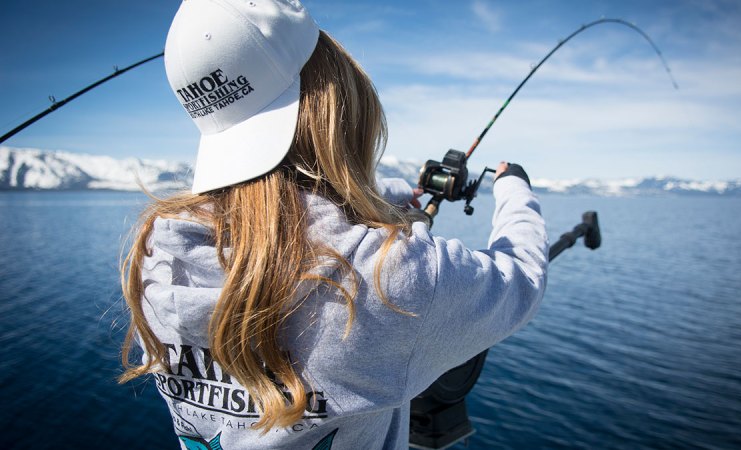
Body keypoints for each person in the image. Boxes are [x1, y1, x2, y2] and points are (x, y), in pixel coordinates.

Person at [119, 0, 548, 449]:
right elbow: (522, 278)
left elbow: (283, 207)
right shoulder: (388, 280)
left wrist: (396, 196)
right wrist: (514, 187)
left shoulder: (155, 256)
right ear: (334, 100)